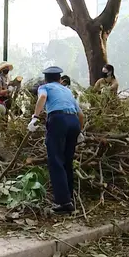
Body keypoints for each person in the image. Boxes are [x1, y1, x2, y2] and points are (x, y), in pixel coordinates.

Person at [28, 66, 84, 215]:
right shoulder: (67, 90)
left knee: (55, 160)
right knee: (67, 160)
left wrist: (35, 117)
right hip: (74, 121)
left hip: (58, 120)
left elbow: (42, 98)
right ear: (60, 79)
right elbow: (81, 114)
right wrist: (80, 131)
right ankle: (69, 197)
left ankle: (63, 202)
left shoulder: (44, 87)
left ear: (45, 79)